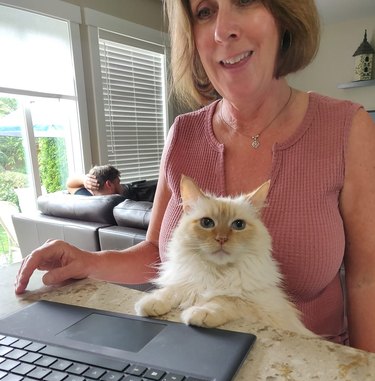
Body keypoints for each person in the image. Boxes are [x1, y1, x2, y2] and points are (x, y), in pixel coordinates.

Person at [15, 0, 375, 353]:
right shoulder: (182, 133)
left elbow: (366, 279)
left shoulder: (347, 127)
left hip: (304, 371)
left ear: (283, 13)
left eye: (245, 1)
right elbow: (156, 250)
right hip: (191, 358)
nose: (223, 30)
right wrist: (86, 260)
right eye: (205, 12)